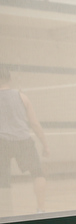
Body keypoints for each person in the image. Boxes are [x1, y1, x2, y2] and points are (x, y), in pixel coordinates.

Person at [0, 65, 49, 213]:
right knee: (38, 174)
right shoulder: (22, 96)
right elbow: (34, 123)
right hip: (23, 141)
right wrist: (45, 145)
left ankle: (6, 212)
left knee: (3, 180)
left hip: (2, 142)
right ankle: (41, 209)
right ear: (10, 79)